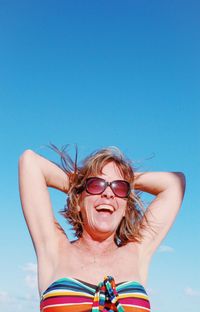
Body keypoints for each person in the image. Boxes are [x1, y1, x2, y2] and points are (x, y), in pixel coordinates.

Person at [18, 146, 185, 312]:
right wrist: (81, 181)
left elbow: (174, 184)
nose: (108, 194)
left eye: (119, 188)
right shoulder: (54, 248)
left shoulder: (137, 252)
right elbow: (30, 162)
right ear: (78, 203)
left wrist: (125, 179)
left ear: (125, 210)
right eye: (96, 185)